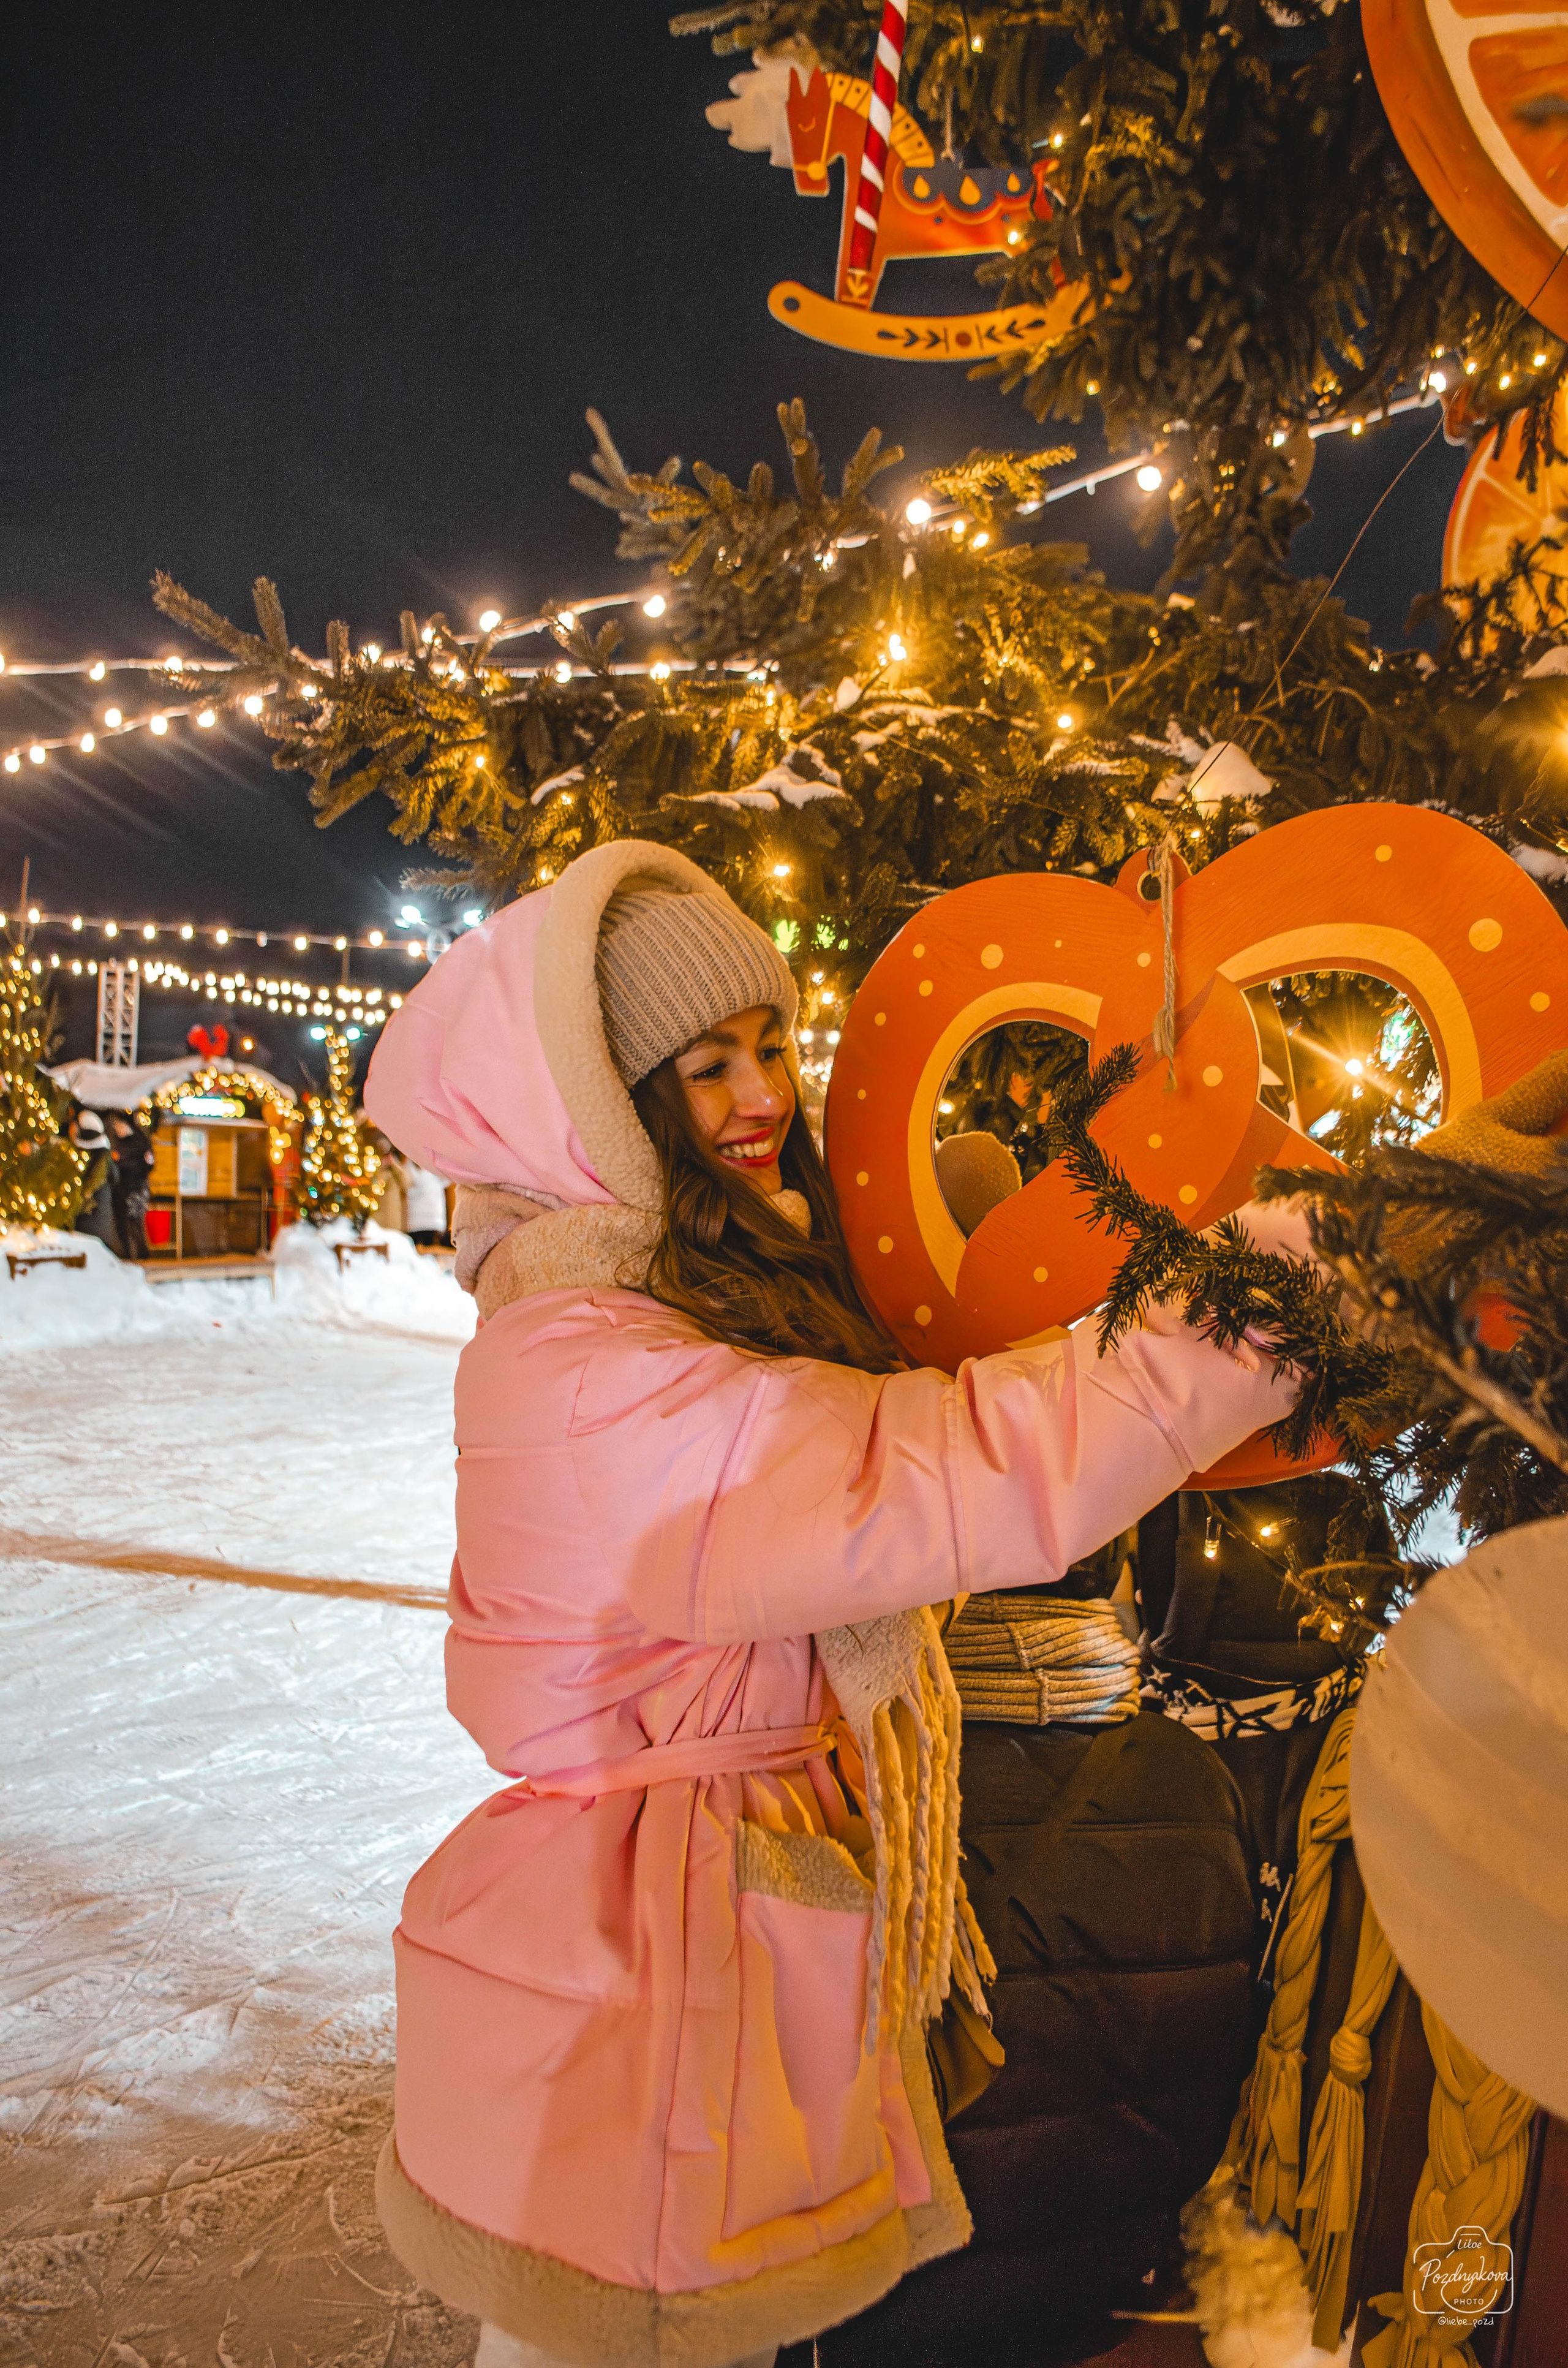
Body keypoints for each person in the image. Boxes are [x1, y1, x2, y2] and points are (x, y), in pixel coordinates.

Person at [361, 841, 1311, 2368]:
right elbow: (943, 1468)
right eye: (705, 1067)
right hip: (652, 1960)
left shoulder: (655, 1306)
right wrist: (1275, 1295)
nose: (761, 1096)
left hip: (677, 1921)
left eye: (771, 1044)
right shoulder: (599, 1371)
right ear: (606, 1105)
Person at [69, 1108, 119, 1251]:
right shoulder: (104, 1157)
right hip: (101, 1224)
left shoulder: (82, 1158)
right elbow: (115, 1178)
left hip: (88, 1221)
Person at [106, 1111, 154, 1260]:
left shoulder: (140, 1142)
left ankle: (143, 1255)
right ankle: (127, 1255)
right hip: (120, 1189)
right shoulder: (117, 1143)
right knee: (121, 1223)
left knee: (135, 1223)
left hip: (136, 1189)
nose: (117, 1129)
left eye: (118, 1125)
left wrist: (122, 1162)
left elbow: (148, 1164)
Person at [402, 1156, 450, 1247]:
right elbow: (407, 1187)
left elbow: (447, 1180)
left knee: (433, 1249)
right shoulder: (407, 1168)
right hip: (416, 1220)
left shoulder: (433, 1164)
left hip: (434, 1218)